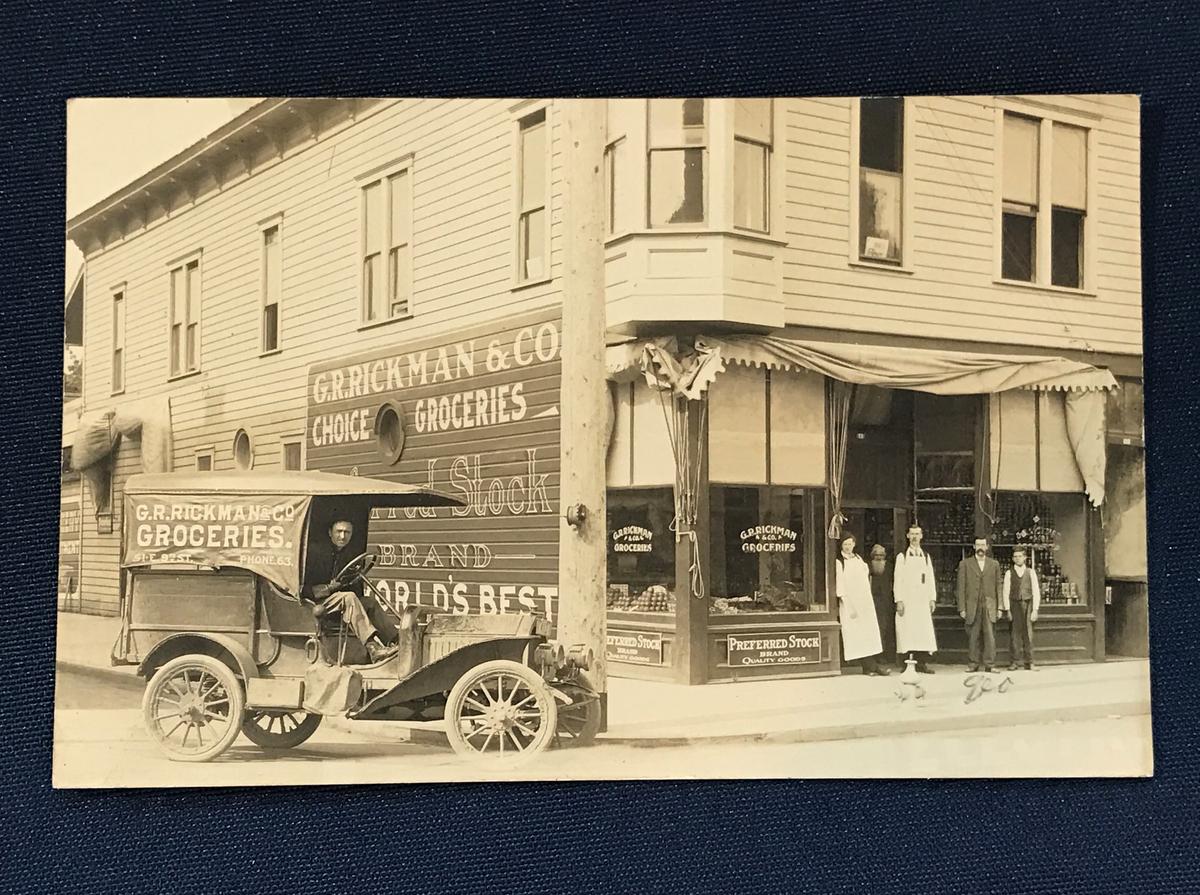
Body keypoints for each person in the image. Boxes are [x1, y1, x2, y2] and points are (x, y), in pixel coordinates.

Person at [302, 519, 398, 662]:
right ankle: (373, 648)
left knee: (369, 602)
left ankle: (397, 642)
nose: (342, 536)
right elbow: (304, 588)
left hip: (338, 602)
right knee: (349, 597)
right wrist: (328, 588)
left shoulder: (347, 555)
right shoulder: (316, 555)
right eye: (338, 532)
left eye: (347, 532)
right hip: (315, 602)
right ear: (330, 533)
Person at [835, 534, 888, 676]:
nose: (847, 547)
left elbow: (866, 577)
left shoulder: (859, 559)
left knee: (869, 634)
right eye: (845, 544)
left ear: (854, 544)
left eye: (850, 544)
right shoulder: (840, 562)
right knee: (857, 636)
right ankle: (868, 667)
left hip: (864, 602)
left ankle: (871, 665)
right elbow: (840, 586)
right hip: (850, 604)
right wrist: (849, 606)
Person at [893, 523, 938, 673]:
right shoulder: (902, 557)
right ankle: (906, 664)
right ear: (907, 536)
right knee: (907, 630)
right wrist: (899, 600)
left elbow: (930, 578)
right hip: (907, 600)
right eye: (912, 534)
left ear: (921, 536)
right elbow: (897, 579)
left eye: (917, 534)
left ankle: (921, 663)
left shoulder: (925, 556)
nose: (914, 537)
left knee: (922, 631)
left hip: (922, 600)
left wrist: (932, 598)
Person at [955, 536, 1003, 672]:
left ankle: (990, 665)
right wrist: (962, 608)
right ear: (974, 547)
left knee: (990, 636)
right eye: (978, 545)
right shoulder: (965, 564)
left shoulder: (994, 564)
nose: (980, 547)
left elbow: (998, 585)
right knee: (973, 636)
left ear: (987, 547)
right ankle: (973, 664)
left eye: (983, 545)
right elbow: (961, 587)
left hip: (989, 605)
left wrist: (1000, 607)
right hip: (972, 605)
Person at [1000, 546, 1041, 671]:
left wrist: (1035, 609)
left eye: (1020, 556)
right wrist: (1007, 609)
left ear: (1025, 558)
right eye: (1015, 557)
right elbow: (1005, 592)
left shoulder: (1031, 572)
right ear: (1013, 559)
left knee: (1028, 634)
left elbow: (1036, 591)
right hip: (1014, 606)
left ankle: (1030, 662)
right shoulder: (1009, 573)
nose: (1018, 559)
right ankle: (1014, 662)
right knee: (1014, 635)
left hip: (1028, 605)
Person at [867, 544, 897, 667]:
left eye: (881, 555)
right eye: (876, 555)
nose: (879, 558)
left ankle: (884, 655)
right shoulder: (868, 567)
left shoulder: (889, 567)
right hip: (872, 602)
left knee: (885, 629)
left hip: (886, 603)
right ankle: (874, 656)